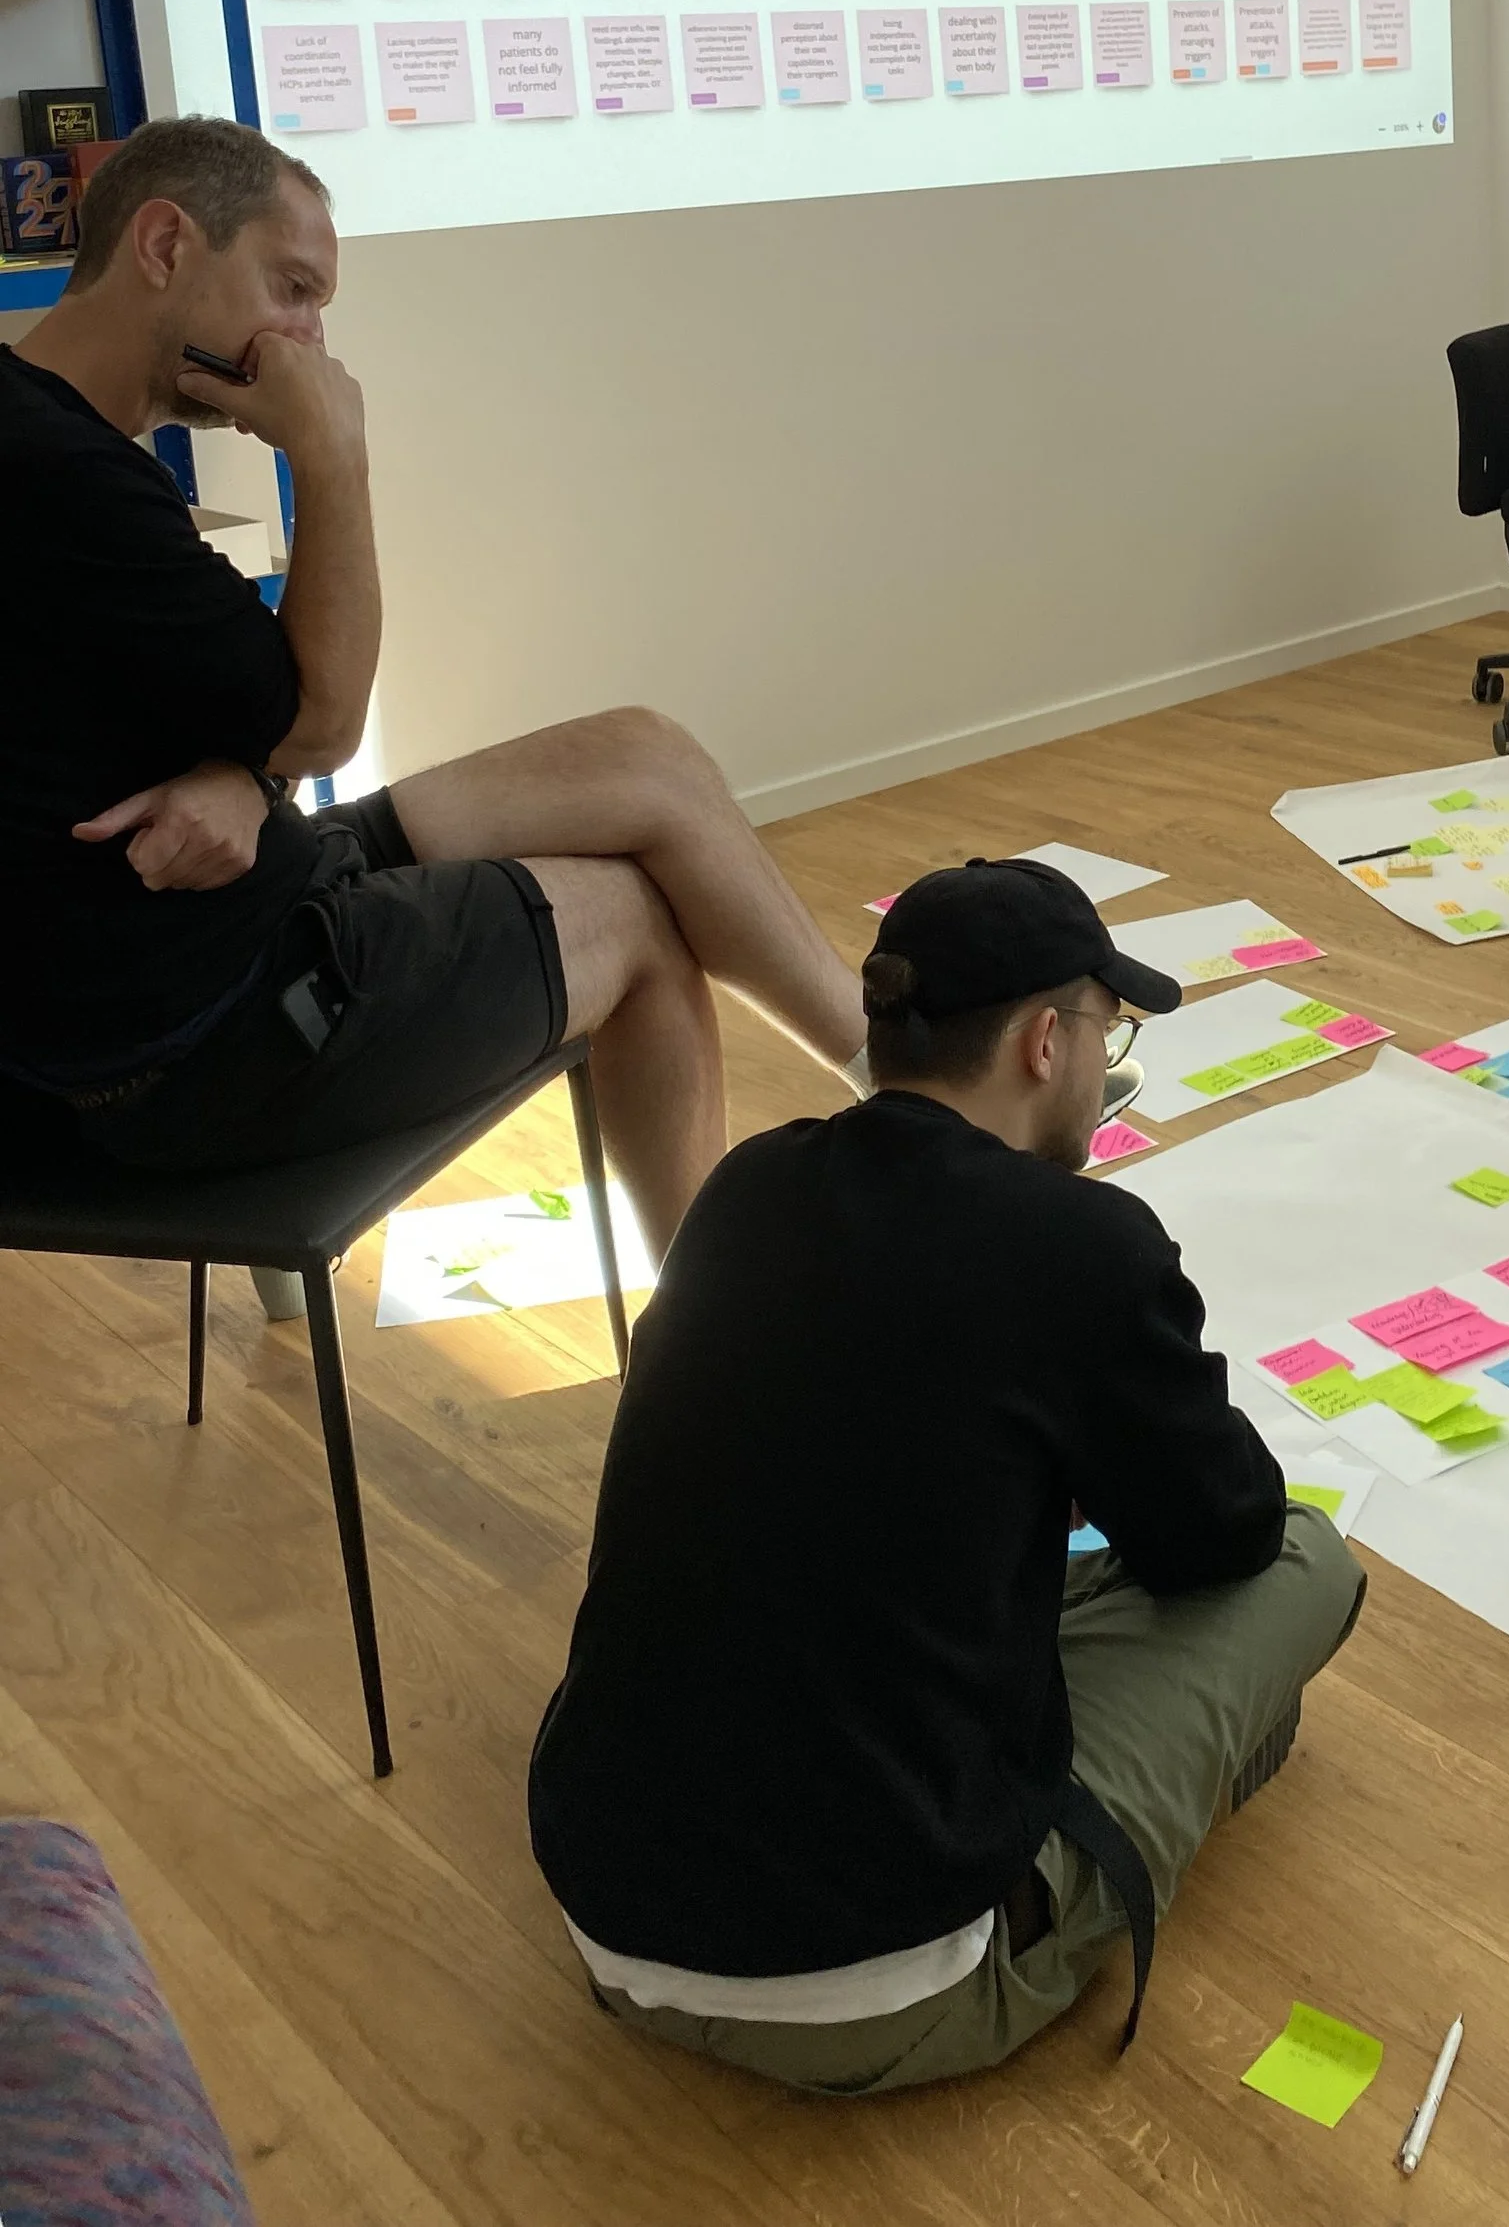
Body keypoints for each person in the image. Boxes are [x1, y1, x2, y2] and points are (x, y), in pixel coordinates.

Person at [529, 856, 1363, 2093]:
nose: (1103, 1061)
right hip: (876, 1984)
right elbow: (1226, 1534)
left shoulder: (746, 1185)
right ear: (1044, 1041)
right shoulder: (1084, 1247)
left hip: (604, 1906)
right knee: (1309, 1562)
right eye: (1107, 1029)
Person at [0, 114, 870, 1253]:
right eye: (293, 288)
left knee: (642, 757)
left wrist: (239, 777)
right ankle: (707, 1357)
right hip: (195, 1036)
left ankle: (897, 1072)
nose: (312, 342)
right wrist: (331, 452)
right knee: (639, 919)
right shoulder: (69, 483)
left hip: (231, 887)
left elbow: (180, 720)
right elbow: (325, 719)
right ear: (165, 245)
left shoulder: (47, 432)